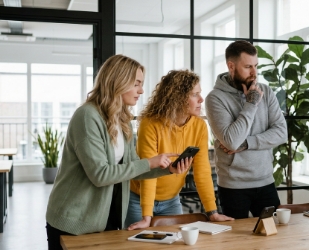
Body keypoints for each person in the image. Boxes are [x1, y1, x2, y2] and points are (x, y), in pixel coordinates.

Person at [45, 55, 189, 250]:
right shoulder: (87, 116)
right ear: (118, 81)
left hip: (105, 218)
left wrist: (167, 169)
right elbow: (100, 175)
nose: (141, 90)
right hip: (74, 221)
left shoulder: (122, 121)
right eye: (136, 83)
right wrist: (150, 162)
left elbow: (132, 168)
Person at [125, 69, 234, 230]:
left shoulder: (199, 126)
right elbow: (148, 172)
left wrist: (212, 212)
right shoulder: (150, 124)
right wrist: (146, 216)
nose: (201, 99)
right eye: (195, 94)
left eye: (200, 93)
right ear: (177, 98)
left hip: (171, 200)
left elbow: (202, 171)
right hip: (138, 200)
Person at [205, 40, 288, 219]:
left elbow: (282, 132)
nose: (254, 73)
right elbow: (231, 141)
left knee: (273, 239)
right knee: (235, 244)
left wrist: (247, 143)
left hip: (266, 181)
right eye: (248, 66)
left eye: (256, 66)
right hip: (233, 186)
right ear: (231, 66)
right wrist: (251, 103)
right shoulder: (215, 99)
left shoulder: (265, 91)